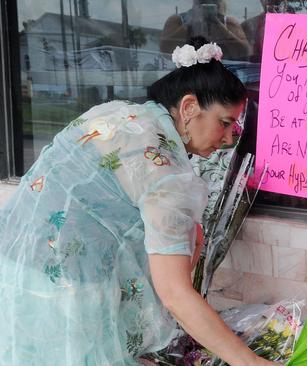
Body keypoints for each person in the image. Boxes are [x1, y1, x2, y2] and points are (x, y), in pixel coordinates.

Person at [0, 36, 277, 366]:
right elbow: (174, 293)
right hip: (64, 293)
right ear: (189, 108)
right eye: (225, 122)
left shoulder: (119, 113)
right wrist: (250, 361)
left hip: (15, 266)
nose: (231, 138)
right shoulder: (166, 173)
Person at [161, 0, 251, 61]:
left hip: (221, 80)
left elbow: (244, 54)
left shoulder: (228, 22)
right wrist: (189, 24)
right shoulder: (178, 21)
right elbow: (166, 51)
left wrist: (219, 25)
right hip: (188, 79)